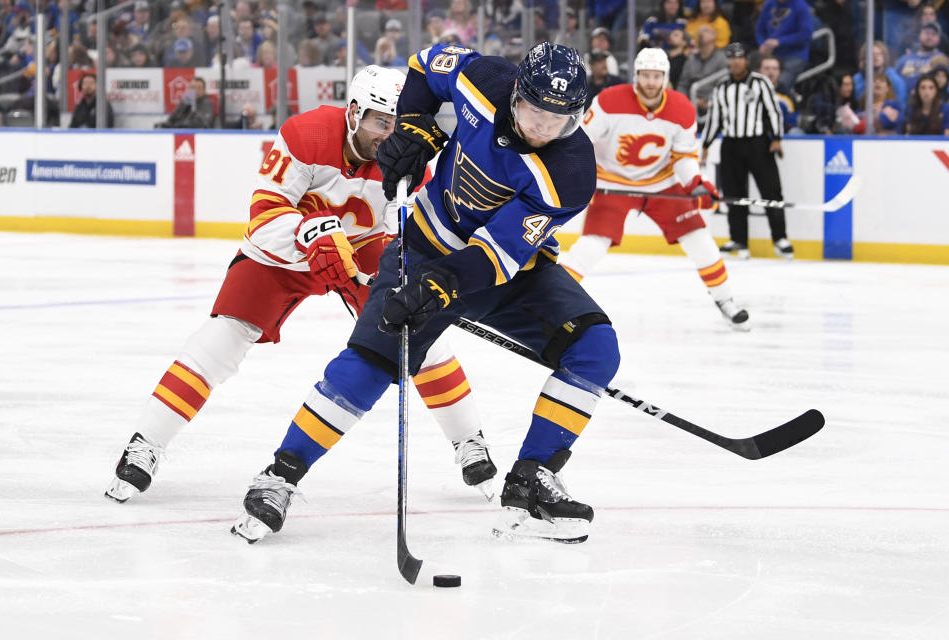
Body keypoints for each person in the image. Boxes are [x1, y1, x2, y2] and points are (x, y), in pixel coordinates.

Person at [230, 43, 618, 545]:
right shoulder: (483, 79)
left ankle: (533, 477)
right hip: (424, 245)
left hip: (504, 269)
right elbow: (424, 64)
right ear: (515, 94)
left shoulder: (571, 172)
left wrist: (441, 286)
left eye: (560, 120)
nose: (545, 128)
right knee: (371, 360)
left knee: (594, 347)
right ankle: (281, 475)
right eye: (535, 112)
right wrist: (416, 125)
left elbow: (496, 253)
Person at [107, 66, 497, 505]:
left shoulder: (411, 160)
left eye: (397, 122)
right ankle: (147, 443)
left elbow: (402, 233)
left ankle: (468, 441)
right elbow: (264, 216)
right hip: (287, 249)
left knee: (419, 334)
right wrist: (310, 235)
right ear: (353, 113)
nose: (389, 136)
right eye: (379, 122)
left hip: (363, 250)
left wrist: (405, 271)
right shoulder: (305, 134)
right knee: (223, 337)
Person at [564, 48, 748, 331]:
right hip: (613, 183)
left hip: (661, 184)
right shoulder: (610, 101)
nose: (650, 82)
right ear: (636, 76)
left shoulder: (682, 109)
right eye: (645, 76)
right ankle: (556, 301)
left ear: (666, 78)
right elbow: (580, 141)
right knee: (592, 246)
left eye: (656, 76)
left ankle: (725, 301)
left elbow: (684, 157)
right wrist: (578, 176)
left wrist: (695, 184)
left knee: (699, 238)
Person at [701, 42, 792, 259]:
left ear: (746, 60)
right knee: (733, 195)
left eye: (739, 57)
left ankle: (780, 238)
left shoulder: (760, 83)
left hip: (757, 144)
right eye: (731, 58)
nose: (735, 62)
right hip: (731, 144)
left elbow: (773, 111)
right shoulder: (721, 86)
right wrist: (706, 144)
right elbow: (715, 118)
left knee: (771, 191)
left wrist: (776, 138)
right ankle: (739, 240)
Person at [754, 0, 814, 91]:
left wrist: (780, 42)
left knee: (778, 86)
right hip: (770, 55)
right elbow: (759, 29)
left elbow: (805, 34)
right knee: (754, 82)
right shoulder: (769, 4)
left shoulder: (801, 6)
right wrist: (762, 44)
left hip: (794, 55)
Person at [676, 25, 727, 116]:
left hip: (713, 105)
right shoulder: (691, 59)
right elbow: (682, 84)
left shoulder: (722, 59)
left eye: (706, 31)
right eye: (700, 31)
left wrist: (708, 99)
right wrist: (684, 100)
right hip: (690, 103)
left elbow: (724, 84)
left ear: (714, 37)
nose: (701, 33)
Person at [895, 23, 949, 92]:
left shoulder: (943, 60)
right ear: (919, 36)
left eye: (934, 34)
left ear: (939, 39)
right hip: (905, 101)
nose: (929, 36)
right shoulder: (904, 60)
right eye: (926, 33)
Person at [854, 41, 907, 106]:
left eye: (879, 54)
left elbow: (901, 105)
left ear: (884, 57)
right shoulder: (857, 79)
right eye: (872, 54)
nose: (875, 57)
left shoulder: (895, 80)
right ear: (864, 58)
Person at [758, 55, 801, 132]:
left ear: (779, 72)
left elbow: (792, 120)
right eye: (767, 68)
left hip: (782, 133)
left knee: (796, 132)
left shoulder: (786, 94)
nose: (771, 72)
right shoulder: (750, 92)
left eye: (774, 69)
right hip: (755, 134)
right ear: (759, 71)